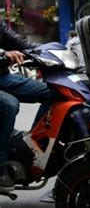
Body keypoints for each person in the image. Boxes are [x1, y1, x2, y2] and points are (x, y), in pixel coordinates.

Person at [0, 21, 52, 192]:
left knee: (54, 92)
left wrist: (50, 50)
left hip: (3, 78)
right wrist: (3, 54)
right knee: (8, 104)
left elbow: (20, 43)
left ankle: (33, 146)